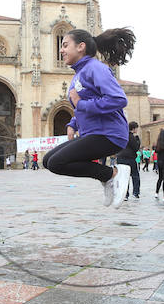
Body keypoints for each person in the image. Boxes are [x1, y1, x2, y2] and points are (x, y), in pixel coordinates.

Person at [42, 28, 135, 207]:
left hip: (109, 134)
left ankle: (112, 174)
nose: (61, 50)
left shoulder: (95, 68)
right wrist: (73, 123)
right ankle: (108, 177)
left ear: (81, 47)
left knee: (57, 163)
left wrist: (81, 105)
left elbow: (118, 99)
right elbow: (84, 102)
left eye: (65, 45)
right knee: (48, 161)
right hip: (93, 133)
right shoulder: (79, 73)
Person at [117, 121, 141, 201]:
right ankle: (135, 193)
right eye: (136, 128)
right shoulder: (131, 136)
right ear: (134, 129)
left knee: (124, 177)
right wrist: (138, 140)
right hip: (129, 158)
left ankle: (125, 194)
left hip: (120, 157)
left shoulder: (122, 135)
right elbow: (136, 147)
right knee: (135, 176)